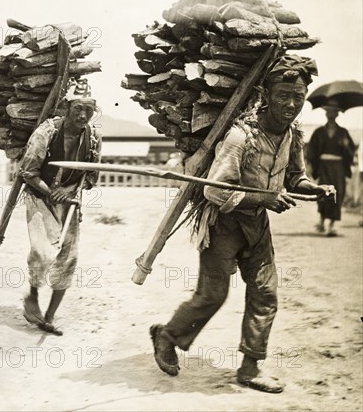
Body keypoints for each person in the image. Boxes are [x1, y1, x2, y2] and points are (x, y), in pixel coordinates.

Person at [149, 55, 335, 393]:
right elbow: (214, 191)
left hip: (257, 226)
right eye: (283, 95)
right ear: (266, 93)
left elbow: (295, 178)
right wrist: (263, 199)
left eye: (298, 96)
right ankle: (167, 335)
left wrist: (315, 189)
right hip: (223, 223)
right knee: (213, 295)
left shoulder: (292, 134)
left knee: (266, 293)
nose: (291, 104)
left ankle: (250, 368)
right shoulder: (241, 136)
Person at [18, 80, 101, 336]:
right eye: (78, 108)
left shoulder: (94, 137)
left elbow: (91, 177)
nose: (83, 115)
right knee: (43, 253)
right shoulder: (46, 133)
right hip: (39, 197)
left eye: (88, 109)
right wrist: (49, 191)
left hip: (70, 201)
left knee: (68, 259)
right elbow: (28, 172)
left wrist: (68, 191)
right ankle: (32, 294)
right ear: (66, 106)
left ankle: (49, 317)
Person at [307, 99, 356, 236]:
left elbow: (350, 151)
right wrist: (311, 167)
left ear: (338, 114)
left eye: (334, 111)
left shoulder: (343, 132)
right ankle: (322, 222)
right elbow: (312, 151)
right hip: (323, 166)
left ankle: (332, 225)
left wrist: (346, 146)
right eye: (329, 111)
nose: (331, 114)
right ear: (325, 113)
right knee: (323, 192)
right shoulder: (319, 132)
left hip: (338, 167)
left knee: (337, 193)